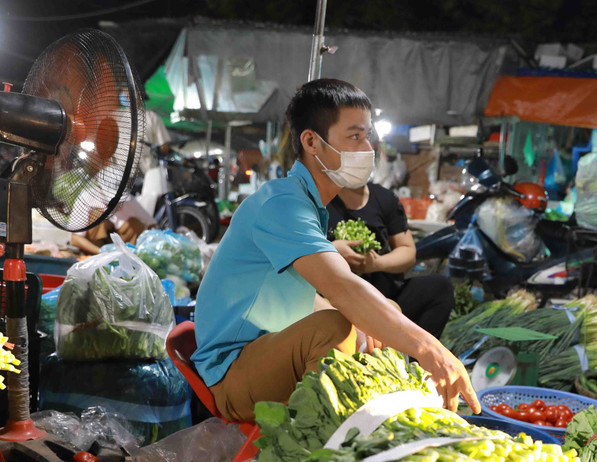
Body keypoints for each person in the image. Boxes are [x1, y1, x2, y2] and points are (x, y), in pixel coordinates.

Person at [192, 78, 479, 422]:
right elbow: (341, 286)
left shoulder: (308, 204)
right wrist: (432, 351)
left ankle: (377, 416)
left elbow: (306, 295)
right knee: (334, 327)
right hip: (232, 374)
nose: (368, 147)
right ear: (311, 141)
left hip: (267, 348)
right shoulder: (282, 204)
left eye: (368, 135)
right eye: (355, 136)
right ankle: (331, 439)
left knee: (379, 310)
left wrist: (369, 324)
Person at [326, 179, 455, 339]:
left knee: (439, 288)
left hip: (385, 295)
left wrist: (376, 264)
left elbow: (408, 252)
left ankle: (417, 359)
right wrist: (331, 252)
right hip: (338, 300)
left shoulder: (384, 198)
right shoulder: (319, 200)